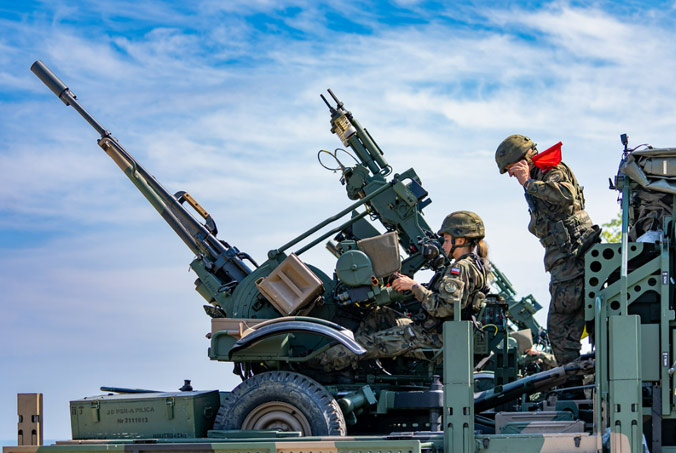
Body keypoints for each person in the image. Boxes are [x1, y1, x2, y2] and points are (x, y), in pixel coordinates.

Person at [316, 211, 489, 371]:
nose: (443, 245)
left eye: (446, 240)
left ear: (460, 240)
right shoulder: (474, 265)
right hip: (432, 331)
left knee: (362, 345)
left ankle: (317, 364)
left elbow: (444, 308)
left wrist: (414, 287)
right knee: (379, 315)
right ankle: (357, 368)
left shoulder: (460, 268)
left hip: (431, 337)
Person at [495, 135, 600, 382]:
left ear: (521, 160)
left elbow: (565, 195)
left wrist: (528, 182)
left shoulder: (549, 169)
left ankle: (573, 388)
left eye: (510, 169)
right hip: (566, 263)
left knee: (560, 329)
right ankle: (575, 386)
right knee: (566, 330)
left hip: (572, 261)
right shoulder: (540, 173)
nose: (511, 175)